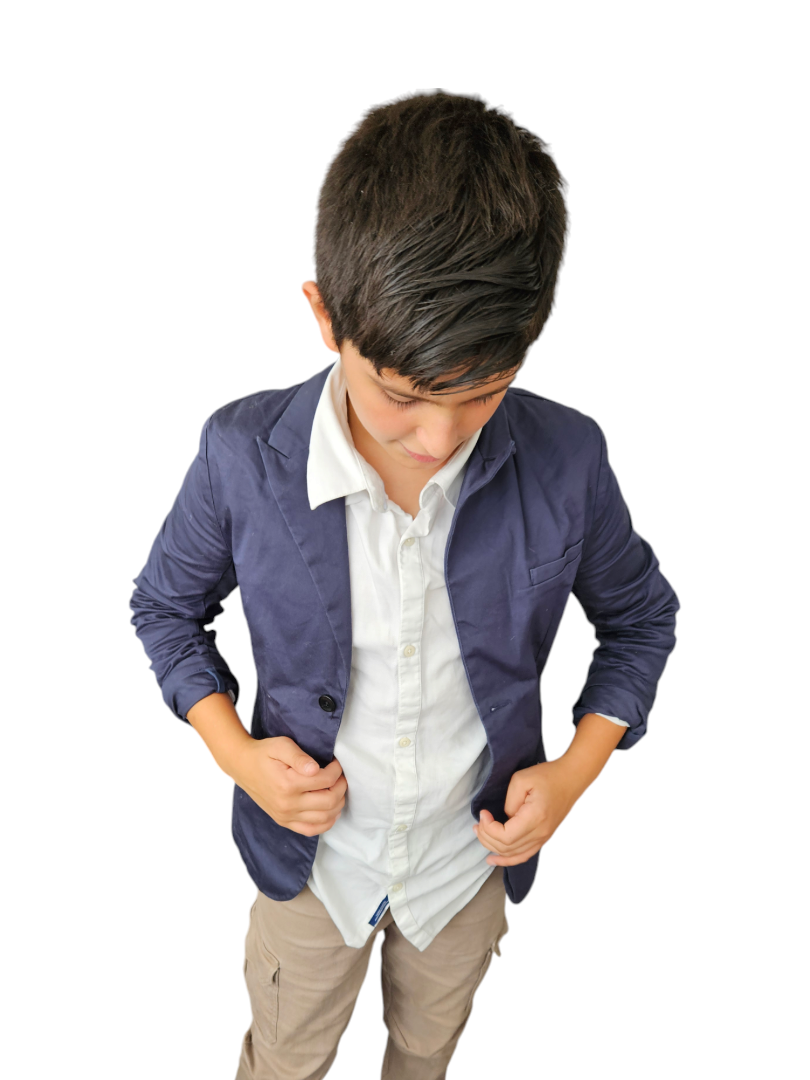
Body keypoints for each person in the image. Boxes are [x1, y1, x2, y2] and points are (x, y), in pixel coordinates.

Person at [130, 89, 679, 1080]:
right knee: (285, 1059)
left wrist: (573, 774)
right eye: (403, 394)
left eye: (484, 393)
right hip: (311, 870)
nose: (438, 437)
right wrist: (238, 756)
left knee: (425, 1057)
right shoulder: (240, 456)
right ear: (324, 316)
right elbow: (166, 608)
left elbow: (640, 619)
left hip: (467, 867)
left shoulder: (567, 459)